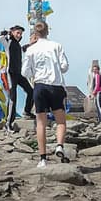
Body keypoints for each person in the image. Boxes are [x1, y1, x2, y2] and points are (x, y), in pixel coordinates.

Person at [21, 21, 70, 168]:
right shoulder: (56, 46)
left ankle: (42, 159)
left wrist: (34, 73)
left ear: (35, 34)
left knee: (41, 123)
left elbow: (24, 72)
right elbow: (64, 66)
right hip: (56, 86)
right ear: (48, 31)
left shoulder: (30, 50)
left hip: (40, 86)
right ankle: (59, 145)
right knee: (60, 121)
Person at [4, 26, 34, 130]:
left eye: (21, 33)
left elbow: (22, 49)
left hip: (19, 73)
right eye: (17, 33)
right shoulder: (8, 41)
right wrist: (6, 34)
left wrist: (31, 44)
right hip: (10, 73)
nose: (19, 35)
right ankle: (8, 123)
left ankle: (27, 111)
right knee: (13, 98)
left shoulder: (17, 44)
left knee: (31, 91)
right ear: (12, 32)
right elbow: (1, 40)